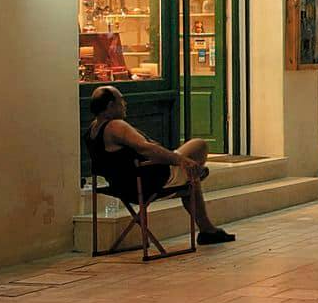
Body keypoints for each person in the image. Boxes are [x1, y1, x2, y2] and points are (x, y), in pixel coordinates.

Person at [84, 86, 231, 245]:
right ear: (111, 106)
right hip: (147, 181)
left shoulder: (93, 129)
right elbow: (146, 148)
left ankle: (206, 223)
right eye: (121, 100)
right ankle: (207, 227)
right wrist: (180, 160)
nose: (125, 104)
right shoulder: (115, 126)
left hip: (121, 186)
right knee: (199, 147)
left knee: (191, 174)